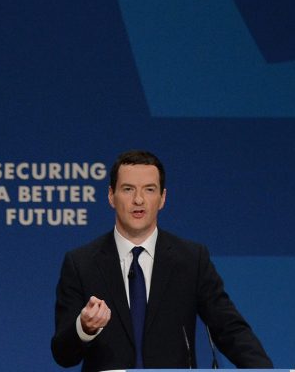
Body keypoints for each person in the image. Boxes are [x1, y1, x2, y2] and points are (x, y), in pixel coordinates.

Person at [51, 150, 273, 371]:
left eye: (149, 189)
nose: (138, 200)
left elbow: (230, 329)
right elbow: (63, 354)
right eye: (128, 189)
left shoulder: (191, 260)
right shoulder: (81, 263)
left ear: (162, 198)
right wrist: (84, 328)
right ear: (111, 196)